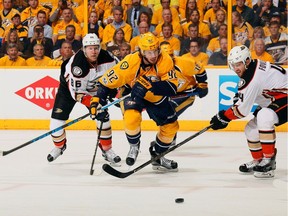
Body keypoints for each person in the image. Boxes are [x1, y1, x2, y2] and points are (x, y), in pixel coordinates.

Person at [90, 32, 180, 171]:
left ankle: (157, 155)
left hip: (156, 95)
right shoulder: (130, 62)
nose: (153, 56)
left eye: (155, 51)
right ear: (142, 52)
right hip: (132, 94)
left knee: (171, 127)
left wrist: (149, 84)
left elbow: (172, 87)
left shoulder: (165, 60)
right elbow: (105, 82)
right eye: (149, 52)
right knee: (131, 119)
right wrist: (97, 101)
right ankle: (134, 146)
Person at [209, 45, 287, 178]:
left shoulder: (252, 77)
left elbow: (242, 110)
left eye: (238, 64)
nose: (236, 68)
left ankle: (269, 161)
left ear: (247, 61)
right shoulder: (252, 68)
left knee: (264, 115)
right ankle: (259, 160)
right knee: (251, 129)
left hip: (283, 97)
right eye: (233, 65)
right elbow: (257, 92)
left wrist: (223, 117)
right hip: (277, 97)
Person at [47, 33, 121, 165]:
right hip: (69, 91)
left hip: (96, 90)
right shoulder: (77, 66)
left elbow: (120, 73)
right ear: (84, 49)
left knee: (103, 117)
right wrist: (92, 104)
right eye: (90, 48)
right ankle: (59, 146)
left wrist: (118, 91)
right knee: (56, 122)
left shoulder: (108, 58)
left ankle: (106, 149)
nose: (94, 51)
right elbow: (77, 94)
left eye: (96, 47)